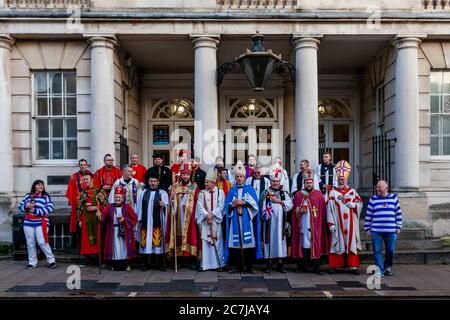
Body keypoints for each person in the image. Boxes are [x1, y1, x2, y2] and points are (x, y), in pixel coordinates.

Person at [223, 161, 261, 274]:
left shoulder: (250, 189)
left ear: (245, 178)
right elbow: (226, 207)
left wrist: (243, 202)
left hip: (246, 220)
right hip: (235, 220)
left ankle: (250, 266)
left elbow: (255, 206)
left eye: (241, 176)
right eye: (237, 176)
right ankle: (236, 266)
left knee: (248, 243)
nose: (239, 178)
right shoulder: (232, 191)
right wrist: (232, 205)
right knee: (235, 243)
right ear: (235, 178)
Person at [327, 160, 362, 275]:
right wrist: (331, 223)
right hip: (337, 222)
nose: (341, 180)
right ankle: (335, 265)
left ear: (346, 179)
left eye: (343, 178)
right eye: (340, 178)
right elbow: (329, 209)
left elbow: (360, 204)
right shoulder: (333, 193)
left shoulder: (352, 192)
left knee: (351, 242)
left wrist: (355, 205)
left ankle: (353, 266)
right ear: (337, 179)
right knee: (337, 242)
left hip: (351, 222)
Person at [292, 169, 328, 275]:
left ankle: (316, 268)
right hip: (302, 225)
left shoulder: (318, 195)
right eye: (307, 183)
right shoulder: (298, 195)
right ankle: (301, 267)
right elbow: (294, 212)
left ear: (313, 183)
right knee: (302, 244)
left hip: (315, 226)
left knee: (314, 245)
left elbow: (322, 212)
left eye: (310, 182)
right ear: (304, 183)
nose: (309, 184)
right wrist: (299, 211)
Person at [365, 180, 402, 277]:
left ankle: (387, 267)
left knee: (390, 251)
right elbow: (368, 215)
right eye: (377, 187)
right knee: (377, 251)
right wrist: (367, 228)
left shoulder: (394, 198)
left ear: (386, 188)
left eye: (379, 187)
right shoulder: (373, 199)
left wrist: (398, 226)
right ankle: (380, 270)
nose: (377, 189)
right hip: (376, 231)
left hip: (391, 231)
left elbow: (398, 213)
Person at [168, 163, 200, 270]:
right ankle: (180, 260)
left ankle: (190, 260)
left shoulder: (194, 186)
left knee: (190, 236)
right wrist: (172, 198)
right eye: (183, 175)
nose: (185, 176)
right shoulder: (175, 186)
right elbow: (171, 203)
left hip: (189, 217)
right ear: (180, 175)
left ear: (190, 175)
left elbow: (197, 201)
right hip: (178, 216)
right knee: (178, 236)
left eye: (187, 175)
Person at [18, 180, 56, 269]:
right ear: (34, 186)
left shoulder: (45, 196)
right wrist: (26, 207)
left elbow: (50, 208)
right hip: (28, 222)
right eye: (38, 185)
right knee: (30, 243)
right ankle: (32, 262)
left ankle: (51, 260)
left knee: (42, 242)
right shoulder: (28, 196)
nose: (41, 187)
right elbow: (20, 207)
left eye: (42, 185)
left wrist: (35, 211)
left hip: (41, 222)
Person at [259, 175, 293, 273]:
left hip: (280, 223)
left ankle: (280, 263)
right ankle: (269, 263)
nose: (275, 183)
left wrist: (279, 201)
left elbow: (290, 205)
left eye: (277, 181)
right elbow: (262, 204)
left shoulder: (284, 193)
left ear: (279, 182)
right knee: (269, 240)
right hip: (269, 222)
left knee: (279, 241)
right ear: (270, 182)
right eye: (273, 181)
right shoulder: (266, 192)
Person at [136, 173, 169, 271]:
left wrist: (164, 205)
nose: (153, 183)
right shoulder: (143, 193)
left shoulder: (162, 193)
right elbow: (139, 207)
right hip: (146, 221)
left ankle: (159, 264)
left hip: (158, 220)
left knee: (157, 241)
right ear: (148, 182)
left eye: (155, 181)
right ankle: (146, 263)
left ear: (158, 182)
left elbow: (167, 207)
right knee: (146, 242)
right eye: (151, 181)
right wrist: (140, 219)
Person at [101, 186, 138, 271]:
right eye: (116, 197)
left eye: (119, 197)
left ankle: (127, 265)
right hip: (113, 231)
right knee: (115, 248)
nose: (117, 199)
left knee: (124, 248)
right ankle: (116, 265)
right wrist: (100, 216)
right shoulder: (109, 207)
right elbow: (104, 216)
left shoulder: (127, 207)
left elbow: (134, 218)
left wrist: (124, 219)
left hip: (125, 231)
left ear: (123, 198)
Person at [195, 169, 226, 271]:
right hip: (205, 221)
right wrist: (206, 215)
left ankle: (218, 264)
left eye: (207, 182)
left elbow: (221, 206)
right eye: (205, 182)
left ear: (213, 182)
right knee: (206, 242)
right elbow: (199, 206)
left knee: (217, 241)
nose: (205, 184)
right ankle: (205, 264)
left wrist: (212, 214)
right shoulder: (202, 193)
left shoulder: (220, 192)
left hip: (215, 221)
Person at [76, 172, 108, 267]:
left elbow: (106, 205)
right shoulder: (83, 192)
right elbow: (80, 207)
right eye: (84, 179)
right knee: (86, 241)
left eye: (87, 179)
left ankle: (101, 260)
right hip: (86, 219)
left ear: (92, 180)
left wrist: (96, 208)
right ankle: (87, 260)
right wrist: (80, 220)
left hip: (97, 218)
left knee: (99, 238)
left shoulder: (99, 191)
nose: (85, 181)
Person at [66, 159, 92, 250]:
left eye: (84, 164)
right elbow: (70, 190)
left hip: (89, 204)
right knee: (77, 224)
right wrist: (73, 201)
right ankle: (77, 244)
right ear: (79, 165)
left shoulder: (91, 176)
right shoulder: (74, 176)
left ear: (87, 165)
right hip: (78, 205)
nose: (83, 166)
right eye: (81, 165)